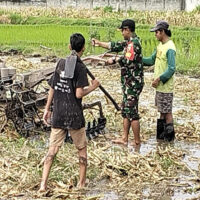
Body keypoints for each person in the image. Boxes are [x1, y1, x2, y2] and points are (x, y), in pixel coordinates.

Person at [38, 33, 100, 192]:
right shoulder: (80, 67)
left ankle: (43, 184)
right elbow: (79, 94)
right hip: (74, 116)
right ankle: (81, 183)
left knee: (52, 150)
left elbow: (52, 87)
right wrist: (93, 87)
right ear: (83, 48)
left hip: (58, 113)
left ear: (69, 47)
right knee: (82, 149)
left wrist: (47, 109)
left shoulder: (60, 63)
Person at [92, 19, 144, 146]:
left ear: (127, 30)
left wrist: (114, 60)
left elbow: (127, 61)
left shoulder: (134, 44)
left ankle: (137, 141)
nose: (121, 33)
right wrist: (99, 43)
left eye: (122, 30)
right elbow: (115, 45)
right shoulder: (129, 42)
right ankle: (124, 138)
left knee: (132, 112)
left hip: (133, 83)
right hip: (128, 83)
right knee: (126, 110)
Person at [143, 20, 176, 141]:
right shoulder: (160, 46)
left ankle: (169, 139)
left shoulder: (170, 48)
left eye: (156, 32)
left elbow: (172, 68)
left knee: (167, 112)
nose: (155, 34)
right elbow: (151, 60)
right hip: (160, 87)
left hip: (166, 87)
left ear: (162, 32)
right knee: (162, 111)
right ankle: (161, 139)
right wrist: (137, 58)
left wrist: (159, 79)